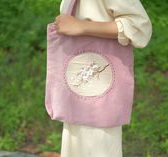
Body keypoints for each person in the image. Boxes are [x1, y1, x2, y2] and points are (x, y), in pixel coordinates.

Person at [53, 0, 152, 156]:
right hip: (81, 92)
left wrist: (82, 26)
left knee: (96, 143)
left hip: (99, 100)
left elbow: (139, 27)